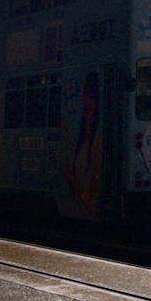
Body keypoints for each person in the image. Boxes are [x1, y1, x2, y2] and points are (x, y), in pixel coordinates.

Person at [65, 73, 103, 220]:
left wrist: (69, 177)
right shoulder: (81, 138)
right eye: (86, 95)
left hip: (83, 211)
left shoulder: (97, 142)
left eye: (92, 97)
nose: (88, 102)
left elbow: (91, 199)